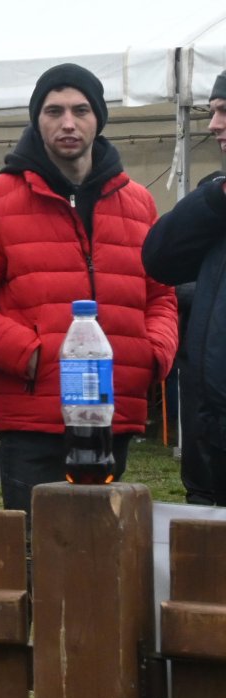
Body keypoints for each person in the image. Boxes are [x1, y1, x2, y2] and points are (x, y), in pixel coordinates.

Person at [0, 64, 179, 511]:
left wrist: (152, 354)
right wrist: (32, 356)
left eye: (80, 110)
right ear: (36, 119)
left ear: (98, 118)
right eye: (54, 111)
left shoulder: (139, 203)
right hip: (35, 418)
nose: (68, 122)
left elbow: (160, 295)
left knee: (109, 554)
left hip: (113, 412)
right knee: (40, 557)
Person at [143, 71, 226, 504]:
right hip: (208, 456)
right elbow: (158, 258)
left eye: (224, 111)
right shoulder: (218, 204)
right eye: (213, 111)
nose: (213, 125)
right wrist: (216, 198)